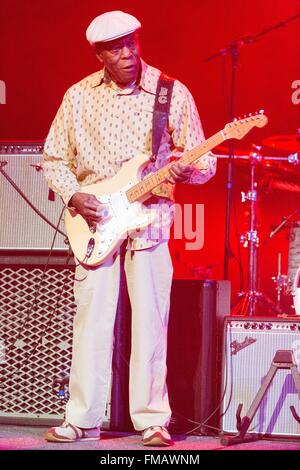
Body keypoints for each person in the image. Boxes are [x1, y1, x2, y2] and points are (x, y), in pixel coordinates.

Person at [42, 10, 216, 446]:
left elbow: (205, 159)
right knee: (92, 323)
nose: (127, 54)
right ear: (99, 54)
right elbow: (54, 159)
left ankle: (152, 419)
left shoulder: (170, 93)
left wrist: (184, 172)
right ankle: (82, 419)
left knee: (151, 324)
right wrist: (74, 196)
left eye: (132, 43)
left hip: (150, 221)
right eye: (116, 48)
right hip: (97, 223)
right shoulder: (78, 96)